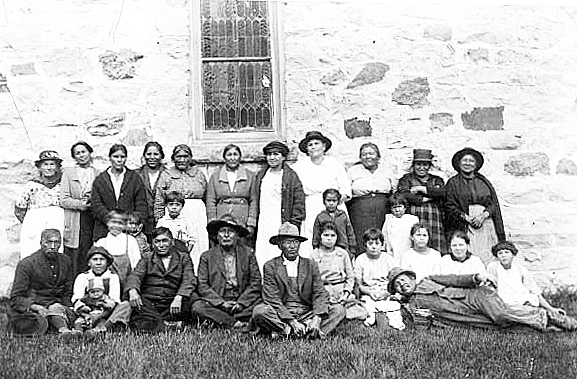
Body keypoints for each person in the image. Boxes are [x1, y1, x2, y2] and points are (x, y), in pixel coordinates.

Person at [387, 267, 577, 332]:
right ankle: (549, 328)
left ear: (412, 278)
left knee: (501, 314)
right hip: (465, 317)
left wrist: (476, 277)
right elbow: (422, 324)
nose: (402, 285)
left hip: (475, 297)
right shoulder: (412, 306)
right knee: (503, 327)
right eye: (398, 285)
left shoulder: (428, 280)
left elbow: (455, 279)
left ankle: (549, 315)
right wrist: (398, 301)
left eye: (404, 280)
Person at [252, 222, 346, 339]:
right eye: (288, 242)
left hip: (307, 312)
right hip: (281, 314)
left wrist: (316, 319)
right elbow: (272, 299)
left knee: (338, 310)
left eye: (296, 242)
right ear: (280, 245)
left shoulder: (310, 264)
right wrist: (292, 322)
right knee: (260, 311)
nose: (293, 246)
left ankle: (292, 331)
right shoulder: (270, 266)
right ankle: (294, 330)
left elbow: (320, 293)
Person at [191, 214, 261, 329]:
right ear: (217, 236)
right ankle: (234, 323)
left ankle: (221, 320)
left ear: (237, 235)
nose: (227, 235)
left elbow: (256, 281)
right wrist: (221, 303)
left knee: (261, 305)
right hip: (218, 303)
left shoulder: (248, 253)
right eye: (223, 231)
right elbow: (202, 285)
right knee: (197, 307)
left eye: (231, 231)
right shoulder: (207, 256)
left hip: (242, 302)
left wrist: (242, 302)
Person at [7, 229, 79, 338]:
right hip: (35, 305)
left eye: (57, 242)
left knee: (76, 315)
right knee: (35, 322)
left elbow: (67, 291)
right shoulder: (27, 264)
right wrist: (36, 307)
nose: (53, 246)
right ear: (41, 243)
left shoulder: (66, 261)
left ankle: (65, 328)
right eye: (48, 242)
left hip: (57, 305)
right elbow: (16, 298)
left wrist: (68, 307)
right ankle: (61, 328)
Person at [292, 131, 351, 258]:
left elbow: (345, 189)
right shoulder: (299, 166)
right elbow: (292, 185)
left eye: (316, 143)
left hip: (333, 205)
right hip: (311, 205)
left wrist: (334, 205)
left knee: (335, 234)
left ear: (324, 146)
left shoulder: (333, 164)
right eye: (310, 145)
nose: (313, 147)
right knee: (312, 235)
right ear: (306, 149)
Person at [125, 227, 197, 332]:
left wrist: (179, 297)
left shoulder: (183, 258)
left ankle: (155, 324)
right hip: (151, 303)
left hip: (173, 302)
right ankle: (169, 325)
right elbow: (136, 275)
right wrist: (133, 290)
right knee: (134, 303)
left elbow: (189, 279)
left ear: (172, 242)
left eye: (165, 241)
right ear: (153, 244)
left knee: (192, 299)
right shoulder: (147, 258)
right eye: (157, 242)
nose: (161, 245)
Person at [445, 147, 505, 264]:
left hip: (485, 224)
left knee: (488, 256)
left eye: (471, 161)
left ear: (476, 164)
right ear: (459, 163)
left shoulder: (483, 182)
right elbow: (449, 205)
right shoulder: (453, 182)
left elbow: (493, 204)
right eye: (464, 160)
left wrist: (483, 216)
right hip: (465, 224)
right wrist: (466, 217)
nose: (468, 163)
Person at [154, 144, 208, 270]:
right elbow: (159, 199)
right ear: (173, 158)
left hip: (196, 214)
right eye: (178, 156)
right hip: (173, 214)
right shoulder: (166, 175)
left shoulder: (199, 174)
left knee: (196, 243)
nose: (182, 159)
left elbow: (207, 196)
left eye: (185, 156)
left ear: (190, 158)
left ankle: (197, 274)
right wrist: (160, 221)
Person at [254, 141, 305, 274]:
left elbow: (298, 200)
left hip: (282, 218)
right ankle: (265, 282)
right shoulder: (262, 175)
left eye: (276, 154)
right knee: (264, 248)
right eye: (269, 154)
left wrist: (294, 223)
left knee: (280, 248)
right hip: (265, 218)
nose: (272, 157)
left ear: (283, 157)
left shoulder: (290, 176)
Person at [487, 241, 567, 317]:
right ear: (497, 256)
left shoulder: (520, 269)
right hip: (503, 300)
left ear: (513, 255)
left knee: (530, 304)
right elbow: (490, 287)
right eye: (500, 253)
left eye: (507, 252)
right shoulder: (493, 267)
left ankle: (547, 315)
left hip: (521, 299)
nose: (503, 255)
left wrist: (551, 309)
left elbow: (534, 290)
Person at [346, 142, 396, 255]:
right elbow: (346, 191)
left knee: (382, 237)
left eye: (371, 153)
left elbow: (394, 191)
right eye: (364, 154)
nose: (368, 156)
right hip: (359, 210)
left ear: (378, 156)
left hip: (382, 209)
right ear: (360, 157)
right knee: (361, 238)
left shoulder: (386, 171)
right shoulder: (353, 171)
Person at [91, 143, 147, 241]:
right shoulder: (100, 179)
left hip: (128, 228)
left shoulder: (134, 178)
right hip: (104, 228)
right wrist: (110, 220)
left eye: (122, 157)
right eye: (116, 156)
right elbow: (96, 204)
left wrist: (132, 221)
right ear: (110, 158)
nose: (119, 160)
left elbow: (141, 203)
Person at [15, 150, 65, 259]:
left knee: (56, 251)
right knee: (32, 252)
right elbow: (19, 209)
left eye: (52, 164)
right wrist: (32, 222)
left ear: (57, 167)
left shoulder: (63, 184)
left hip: (57, 221)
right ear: (39, 167)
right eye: (45, 164)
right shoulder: (31, 185)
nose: (49, 168)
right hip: (35, 224)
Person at [60, 141, 100, 275]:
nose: (82, 155)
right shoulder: (69, 174)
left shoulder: (98, 173)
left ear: (90, 153)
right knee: (75, 254)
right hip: (75, 219)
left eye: (84, 152)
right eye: (78, 153)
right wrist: (80, 205)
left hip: (92, 218)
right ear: (74, 157)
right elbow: (64, 200)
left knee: (90, 251)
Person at [71, 246, 132, 333]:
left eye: (102, 259)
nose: (98, 263)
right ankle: (78, 331)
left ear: (107, 262)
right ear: (89, 262)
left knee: (125, 305)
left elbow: (114, 300)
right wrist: (84, 309)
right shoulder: (83, 277)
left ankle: (102, 328)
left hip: (106, 313)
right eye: (95, 259)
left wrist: (102, 312)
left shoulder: (113, 277)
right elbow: (77, 298)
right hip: (86, 311)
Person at [397, 149, 446, 253]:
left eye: (425, 164)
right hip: (414, 216)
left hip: (434, 218)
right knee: (413, 246)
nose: (422, 168)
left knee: (435, 247)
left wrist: (420, 188)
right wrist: (426, 198)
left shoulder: (437, 179)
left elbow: (441, 192)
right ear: (413, 165)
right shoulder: (406, 179)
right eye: (418, 164)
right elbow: (404, 195)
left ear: (429, 166)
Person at [206, 144, 258, 241]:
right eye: (229, 155)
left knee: (242, 247)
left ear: (240, 157)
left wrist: (251, 223)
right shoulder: (215, 176)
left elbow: (254, 201)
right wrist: (212, 222)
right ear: (224, 157)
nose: (232, 158)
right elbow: (210, 201)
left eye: (235, 154)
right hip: (222, 218)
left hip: (242, 218)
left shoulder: (250, 176)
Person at [354, 228, 404, 329]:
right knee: (367, 304)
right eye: (370, 243)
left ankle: (393, 320)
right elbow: (359, 285)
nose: (373, 247)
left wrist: (387, 292)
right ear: (365, 245)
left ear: (382, 245)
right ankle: (373, 315)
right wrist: (369, 292)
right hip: (369, 291)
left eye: (377, 243)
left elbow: (395, 281)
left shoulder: (388, 258)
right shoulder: (360, 259)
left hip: (386, 289)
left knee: (393, 304)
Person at [311, 221, 354, 306]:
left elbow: (350, 277)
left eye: (333, 235)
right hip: (323, 291)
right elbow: (312, 281)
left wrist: (346, 294)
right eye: (326, 235)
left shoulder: (342, 253)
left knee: (359, 311)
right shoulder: (314, 254)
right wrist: (325, 296)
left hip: (341, 290)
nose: (329, 238)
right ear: (320, 237)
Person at [94, 210, 141, 284]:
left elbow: (136, 264)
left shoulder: (130, 241)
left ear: (125, 225)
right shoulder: (101, 242)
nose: (116, 226)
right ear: (107, 223)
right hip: (106, 283)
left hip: (127, 282)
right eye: (113, 222)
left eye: (120, 223)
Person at [312, 189, 357, 258]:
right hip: (325, 250)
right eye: (328, 200)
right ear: (324, 201)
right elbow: (316, 234)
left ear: (338, 202)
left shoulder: (343, 215)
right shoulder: (320, 217)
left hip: (342, 248)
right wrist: (316, 248)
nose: (331, 203)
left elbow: (350, 233)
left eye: (334, 201)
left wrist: (352, 251)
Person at [135, 141, 167, 236]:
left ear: (161, 156)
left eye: (156, 154)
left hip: (162, 219)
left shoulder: (168, 174)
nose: (152, 157)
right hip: (142, 221)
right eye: (149, 154)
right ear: (144, 156)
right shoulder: (136, 175)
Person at [382, 194, 419, 264]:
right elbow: (384, 235)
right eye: (394, 207)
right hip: (393, 250)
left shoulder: (412, 219)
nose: (397, 210)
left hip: (407, 247)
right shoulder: (389, 219)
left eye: (399, 207)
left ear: (405, 207)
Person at [156, 191, 196, 255]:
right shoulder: (162, 221)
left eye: (177, 205)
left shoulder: (185, 221)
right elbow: (157, 237)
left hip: (181, 251)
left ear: (182, 206)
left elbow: (192, 239)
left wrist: (187, 252)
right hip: (166, 251)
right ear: (166, 205)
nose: (174, 207)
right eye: (171, 204)